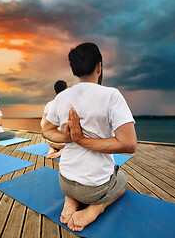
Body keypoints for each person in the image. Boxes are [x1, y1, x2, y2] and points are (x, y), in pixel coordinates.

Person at [42, 43, 137, 232]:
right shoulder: (111, 95)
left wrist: (67, 138)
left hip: (64, 181)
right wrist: (78, 139)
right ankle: (97, 207)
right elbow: (129, 144)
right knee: (123, 182)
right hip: (95, 188)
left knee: (76, 186)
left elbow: (46, 130)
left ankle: (72, 198)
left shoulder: (62, 97)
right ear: (99, 66)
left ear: (74, 69)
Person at [40, 80, 67, 159]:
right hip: (62, 142)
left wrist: (50, 131)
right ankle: (62, 151)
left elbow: (43, 123)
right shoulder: (68, 104)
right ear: (65, 90)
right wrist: (56, 130)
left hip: (50, 141)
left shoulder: (49, 104)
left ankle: (52, 148)